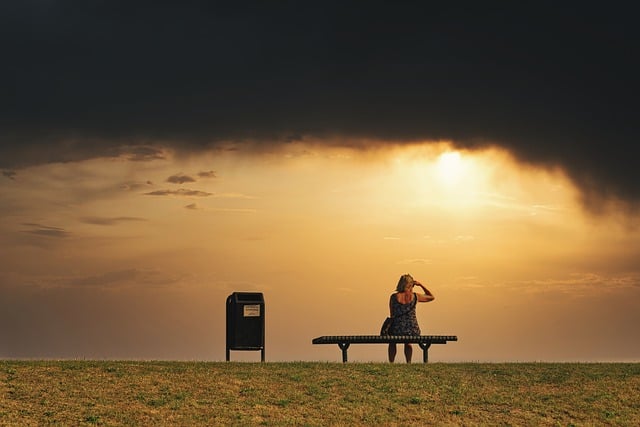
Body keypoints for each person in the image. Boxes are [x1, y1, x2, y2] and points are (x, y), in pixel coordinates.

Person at [388, 273, 435, 363]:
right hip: (412, 330)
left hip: (397, 329)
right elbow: (431, 297)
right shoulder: (415, 296)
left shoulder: (393, 297)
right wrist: (420, 285)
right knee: (408, 341)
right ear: (411, 285)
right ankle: (408, 362)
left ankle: (391, 362)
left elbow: (392, 315)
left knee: (392, 341)